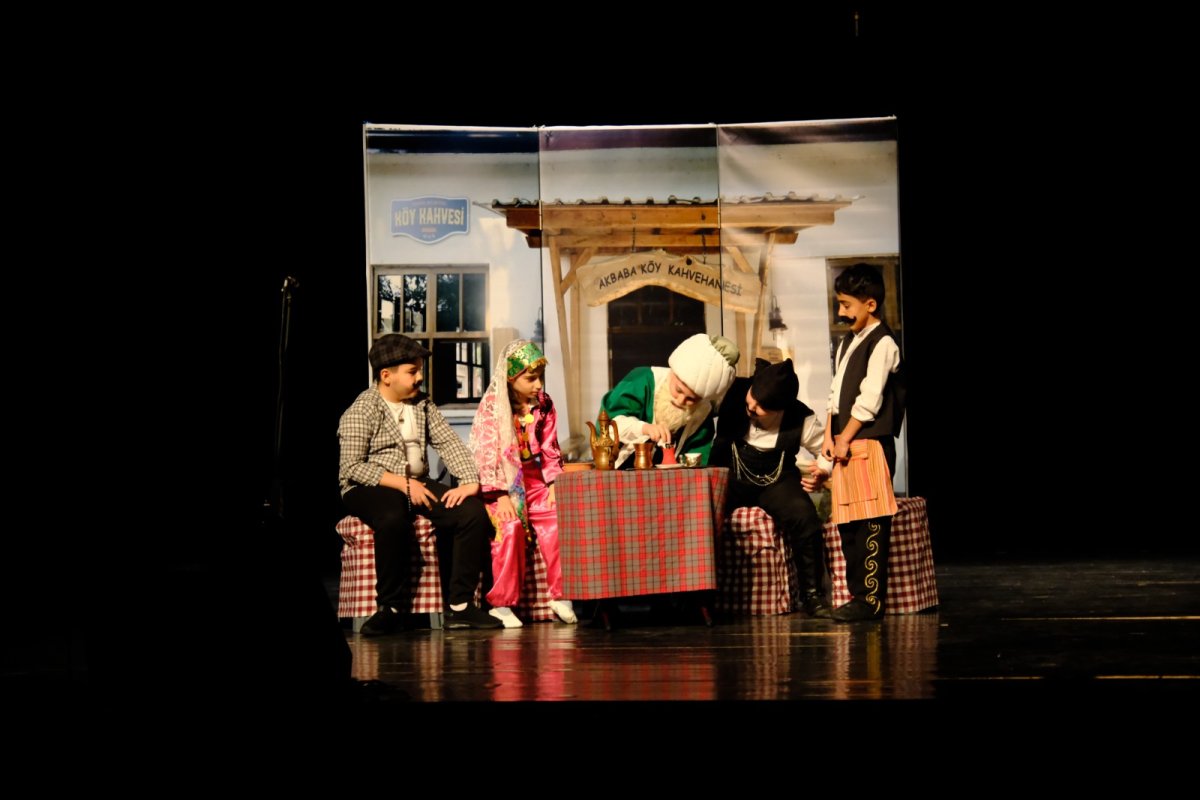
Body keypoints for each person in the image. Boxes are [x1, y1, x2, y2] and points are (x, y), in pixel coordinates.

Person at [338, 333, 502, 633]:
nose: (419, 377)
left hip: (416, 482)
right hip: (369, 486)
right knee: (392, 517)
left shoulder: (422, 404)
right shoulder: (363, 409)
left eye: (419, 371)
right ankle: (390, 608)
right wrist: (402, 484)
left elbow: (448, 442)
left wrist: (468, 482)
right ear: (386, 376)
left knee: (472, 513)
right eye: (412, 371)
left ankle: (460, 606)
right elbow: (352, 467)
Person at [711, 358, 832, 617]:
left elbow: (826, 451)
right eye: (751, 399)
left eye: (761, 407)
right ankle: (701, 595)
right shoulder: (733, 392)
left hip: (775, 480)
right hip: (730, 474)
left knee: (804, 517)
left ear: (781, 409)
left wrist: (823, 471)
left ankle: (812, 595)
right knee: (705, 514)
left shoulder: (800, 417)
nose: (751, 407)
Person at [469, 339, 577, 628]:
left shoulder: (544, 404)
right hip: (502, 484)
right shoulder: (492, 407)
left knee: (557, 518)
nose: (538, 384)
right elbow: (486, 454)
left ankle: (561, 594)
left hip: (533, 479)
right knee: (511, 528)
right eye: (530, 378)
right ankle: (502, 604)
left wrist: (553, 484)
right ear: (510, 376)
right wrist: (500, 495)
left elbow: (550, 447)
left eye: (540, 377)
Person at [819, 263, 906, 622]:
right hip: (845, 443)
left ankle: (870, 600)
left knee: (870, 522)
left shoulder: (882, 343)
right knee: (848, 524)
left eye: (847, 305)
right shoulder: (846, 343)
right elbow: (835, 395)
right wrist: (829, 436)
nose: (841, 312)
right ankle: (857, 596)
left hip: (869, 443)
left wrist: (845, 437)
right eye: (839, 304)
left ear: (870, 304)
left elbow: (869, 400)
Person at [600, 333, 740, 468]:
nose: (680, 401)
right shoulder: (641, 381)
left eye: (691, 399)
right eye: (678, 390)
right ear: (672, 372)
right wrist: (644, 428)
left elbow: (698, 462)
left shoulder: (702, 413)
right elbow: (607, 427)